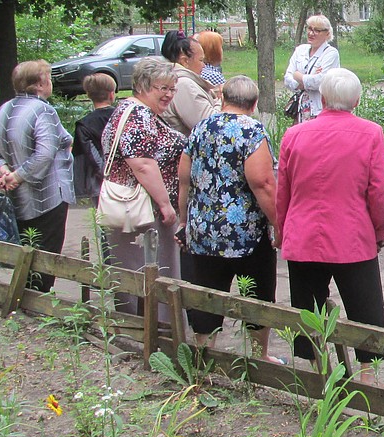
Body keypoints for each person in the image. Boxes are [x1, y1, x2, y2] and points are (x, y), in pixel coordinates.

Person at [276, 68, 384, 386]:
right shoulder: (370, 133)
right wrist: (378, 232)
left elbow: (282, 189)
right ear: (356, 101)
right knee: (366, 311)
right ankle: (371, 382)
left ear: (323, 98)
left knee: (307, 307)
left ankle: (317, 377)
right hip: (352, 238)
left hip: (303, 236)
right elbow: (377, 191)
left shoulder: (294, 134)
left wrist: (281, 230)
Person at [177, 76, 279, 356]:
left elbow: (184, 178)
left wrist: (183, 219)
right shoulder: (252, 131)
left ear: (223, 98)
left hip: (202, 230)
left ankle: (203, 356)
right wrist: (278, 224)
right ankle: (259, 357)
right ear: (254, 103)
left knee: (206, 293)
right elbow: (263, 183)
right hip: (244, 234)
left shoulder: (200, 127)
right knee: (257, 296)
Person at [100, 57, 185, 321]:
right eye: (163, 88)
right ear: (144, 85)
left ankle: (152, 332)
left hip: (144, 209)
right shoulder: (137, 114)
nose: (169, 95)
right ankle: (152, 334)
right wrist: (166, 205)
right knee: (147, 270)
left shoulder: (138, 112)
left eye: (172, 89)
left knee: (145, 271)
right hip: (142, 212)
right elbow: (143, 165)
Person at [0, 60, 75, 293]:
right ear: (41, 83)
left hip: (17, 197)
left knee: (25, 250)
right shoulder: (43, 110)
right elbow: (46, 152)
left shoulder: (2, 109)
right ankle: (38, 304)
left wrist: (1, 170)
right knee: (45, 254)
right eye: (49, 78)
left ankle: (24, 298)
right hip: (48, 196)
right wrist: (18, 176)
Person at [160, 30, 219, 136]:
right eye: (201, 60)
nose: (204, 66)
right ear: (185, 61)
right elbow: (209, 127)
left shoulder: (178, 81)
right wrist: (222, 100)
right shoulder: (183, 85)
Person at [283, 15, 340, 123]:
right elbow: (287, 78)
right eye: (309, 28)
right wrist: (302, 83)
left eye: (317, 30)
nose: (311, 33)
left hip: (321, 110)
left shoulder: (331, 53)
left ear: (327, 33)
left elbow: (321, 82)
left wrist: (299, 76)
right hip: (301, 110)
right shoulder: (300, 50)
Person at [72, 72, 117, 202]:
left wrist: (105, 174)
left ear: (89, 95)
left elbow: (91, 155)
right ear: (111, 94)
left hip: (99, 183)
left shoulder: (84, 125)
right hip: (128, 177)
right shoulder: (123, 116)